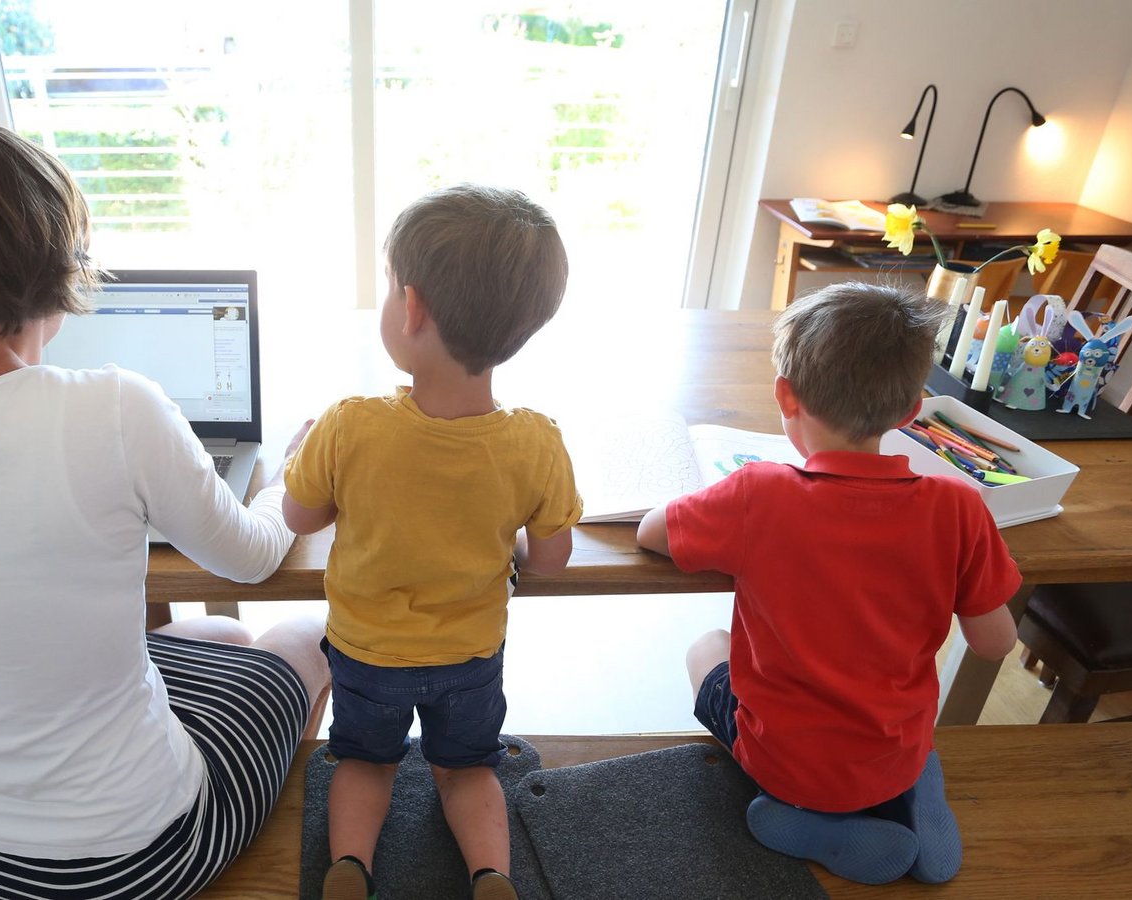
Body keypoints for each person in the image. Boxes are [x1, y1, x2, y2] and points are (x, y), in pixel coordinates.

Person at [0, 120, 329, 900]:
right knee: (302, 634)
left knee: (214, 633)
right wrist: (291, 475)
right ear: (57, 265)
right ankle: (295, 839)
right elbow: (252, 556)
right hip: (142, 855)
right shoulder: (114, 407)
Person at [637, 282, 1020, 885]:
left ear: (785, 397)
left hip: (787, 763)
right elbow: (996, 643)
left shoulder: (758, 493)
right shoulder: (959, 506)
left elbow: (652, 531)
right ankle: (912, 789)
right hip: (893, 749)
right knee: (898, 729)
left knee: (706, 647)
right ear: (910, 411)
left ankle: (811, 822)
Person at [282, 184, 583, 900]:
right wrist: (509, 545)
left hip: (367, 652)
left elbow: (298, 518)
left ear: (410, 308)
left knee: (364, 761)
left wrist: (305, 456)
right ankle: (490, 875)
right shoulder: (535, 441)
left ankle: (350, 865)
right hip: (469, 655)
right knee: (468, 768)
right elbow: (550, 558)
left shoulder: (348, 425)